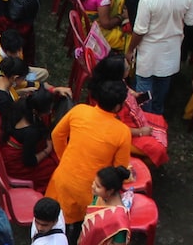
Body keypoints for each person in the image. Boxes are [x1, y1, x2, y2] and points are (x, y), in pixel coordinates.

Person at [45, 80, 132, 231]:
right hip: (91, 191)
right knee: (78, 231)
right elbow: (119, 170)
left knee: (57, 220)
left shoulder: (79, 111)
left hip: (62, 179)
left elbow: (56, 135)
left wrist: (64, 157)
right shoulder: (123, 132)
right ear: (118, 106)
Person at [130, 0, 193, 114]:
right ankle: (157, 117)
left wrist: (130, 49)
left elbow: (139, 31)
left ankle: (144, 118)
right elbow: (191, 21)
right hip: (171, 51)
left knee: (144, 91)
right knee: (162, 85)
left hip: (148, 54)